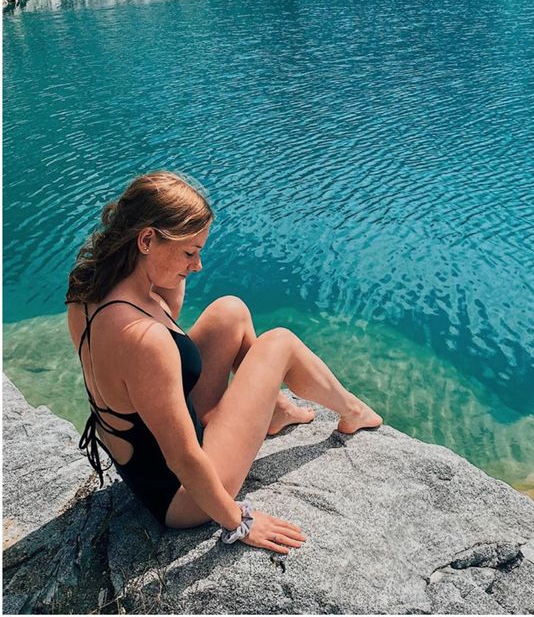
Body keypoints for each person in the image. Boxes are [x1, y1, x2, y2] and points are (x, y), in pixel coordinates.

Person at [66, 171, 382, 553]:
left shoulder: (88, 290)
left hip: (142, 463)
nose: (197, 265)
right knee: (279, 342)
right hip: (183, 497)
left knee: (230, 311)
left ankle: (276, 408)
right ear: (146, 239)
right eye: (189, 252)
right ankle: (353, 411)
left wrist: (174, 262)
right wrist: (240, 521)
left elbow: (165, 327)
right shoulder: (144, 341)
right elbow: (182, 457)